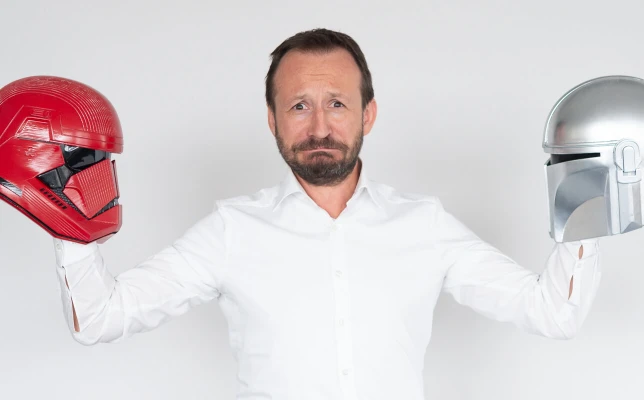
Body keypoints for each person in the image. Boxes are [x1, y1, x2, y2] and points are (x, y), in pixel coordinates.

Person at [53, 28, 601, 400]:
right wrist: (65, 199)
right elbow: (100, 318)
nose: (319, 127)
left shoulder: (424, 226)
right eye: (298, 105)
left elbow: (554, 313)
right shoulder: (231, 231)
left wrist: (589, 193)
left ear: (369, 113)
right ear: (272, 120)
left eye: (336, 103)